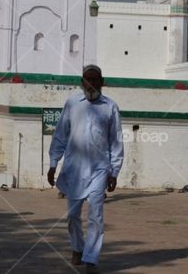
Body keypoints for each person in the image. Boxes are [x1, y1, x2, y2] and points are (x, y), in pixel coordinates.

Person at [47, 65, 124, 273]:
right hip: (74, 168)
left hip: (100, 169)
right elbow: (60, 135)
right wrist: (53, 163)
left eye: (95, 79)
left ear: (102, 81)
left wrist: (114, 171)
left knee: (96, 214)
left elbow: (116, 140)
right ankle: (77, 247)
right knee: (73, 215)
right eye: (87, 79)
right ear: (82, 82)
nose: (91, 83)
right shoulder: (72, 104)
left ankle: (91, 257)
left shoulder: (110, 107)